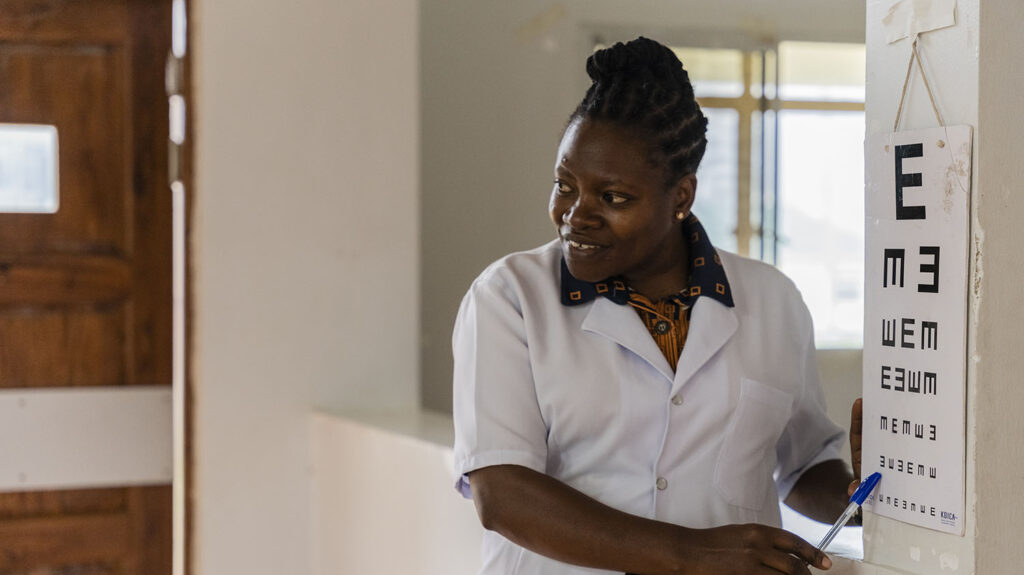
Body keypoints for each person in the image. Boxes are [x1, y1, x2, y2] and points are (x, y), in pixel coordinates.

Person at [452, 37, 862, 575]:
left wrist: (863, 496)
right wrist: (692, 554)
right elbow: (502, 494)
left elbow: (802, 465)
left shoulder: (773, 301)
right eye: (565, 185)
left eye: (613, 197)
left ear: (682, 197)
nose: (576, 215)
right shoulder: (510, 298)